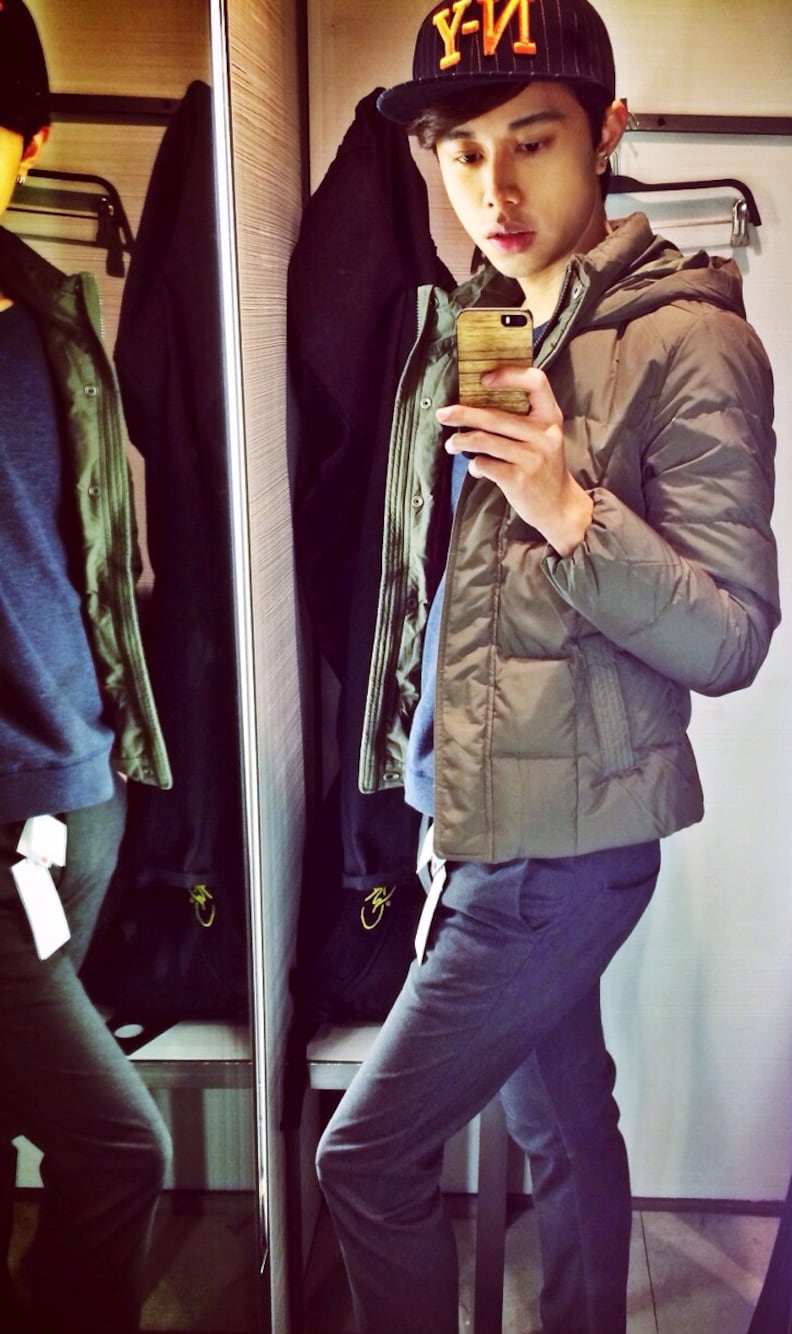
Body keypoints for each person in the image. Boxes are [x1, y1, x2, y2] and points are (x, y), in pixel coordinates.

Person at [315, 1, 780, 1330]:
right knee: (566, 1127)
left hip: (554, 861)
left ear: (607, 132)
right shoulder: (487, 320)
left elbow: (730, 634)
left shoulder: (692, 340)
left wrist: (572, 511)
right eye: (463, 152)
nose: (495, 189)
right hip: (484, 827)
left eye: (534, 140)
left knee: (366, 1160)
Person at [0, 3, 173, 1329]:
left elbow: (96, 557)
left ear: (32, 140)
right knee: (121, 1147)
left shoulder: (54, 317)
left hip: (76, 804)